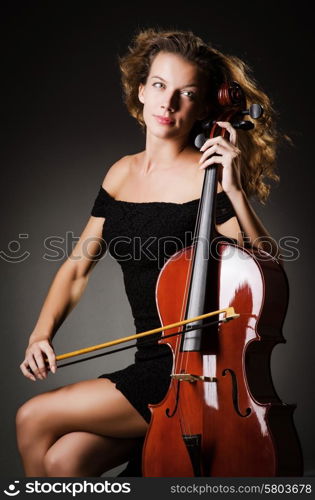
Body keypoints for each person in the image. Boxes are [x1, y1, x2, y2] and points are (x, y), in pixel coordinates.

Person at [16, 28, 282, 477]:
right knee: (65, 460)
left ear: (201, 108)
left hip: (193, 372)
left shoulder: (208, 179)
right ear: (141, 91)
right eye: (159, 86)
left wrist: (235, 191)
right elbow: (79, 267)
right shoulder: (120, 174)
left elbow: (267, 267)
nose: (168, 103)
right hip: (148, 363)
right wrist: (40, 335)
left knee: (32, 416)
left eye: (186, 93)